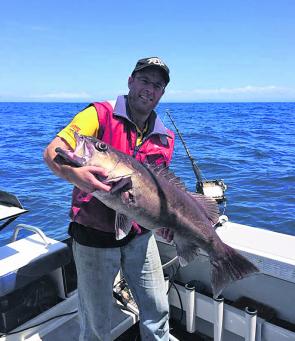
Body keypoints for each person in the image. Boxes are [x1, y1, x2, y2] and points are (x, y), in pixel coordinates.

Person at [44, 57, 175, 341]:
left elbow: (162, 191)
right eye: (144, 80)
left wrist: (164, 221)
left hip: (141, 236)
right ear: (130, 81)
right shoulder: (98, 114)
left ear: (162, 93)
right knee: (97, 323)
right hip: (93, 237)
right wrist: (75, 176)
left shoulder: (165, 138)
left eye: (157, 85)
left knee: (157, 312)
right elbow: (52, 151)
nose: (149, 89)